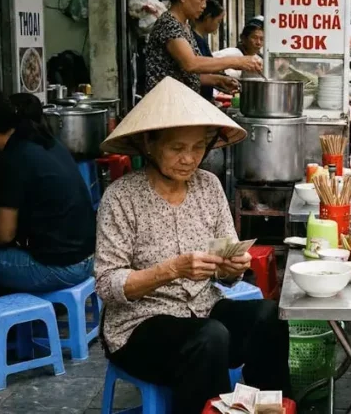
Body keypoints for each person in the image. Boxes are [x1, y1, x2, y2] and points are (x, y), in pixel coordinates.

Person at [95, 77, 291, 413]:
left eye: (198, 147)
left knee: (267, 315)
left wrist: (231, 268)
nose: (189, 159)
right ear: (149, 144)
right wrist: (171, 270)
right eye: (176, 148)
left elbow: (226, 268)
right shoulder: (121, 197)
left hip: (203, 310)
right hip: (139, 327)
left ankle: (267, 409)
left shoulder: (209, 187)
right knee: (210, 336)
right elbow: (107, 284)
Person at [0, 88, 96, 309]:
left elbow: (3, 234)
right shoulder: (41, 138)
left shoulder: (11, 160)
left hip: (60, 267)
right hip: (88, 257)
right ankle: (15, 323)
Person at [144, 0, 262, 98]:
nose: (204, 6)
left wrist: (218, 80)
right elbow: (191, 64)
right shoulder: (168, 24)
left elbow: (186, 76)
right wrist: (237, 61)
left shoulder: (184, 26)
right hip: (165, 104)